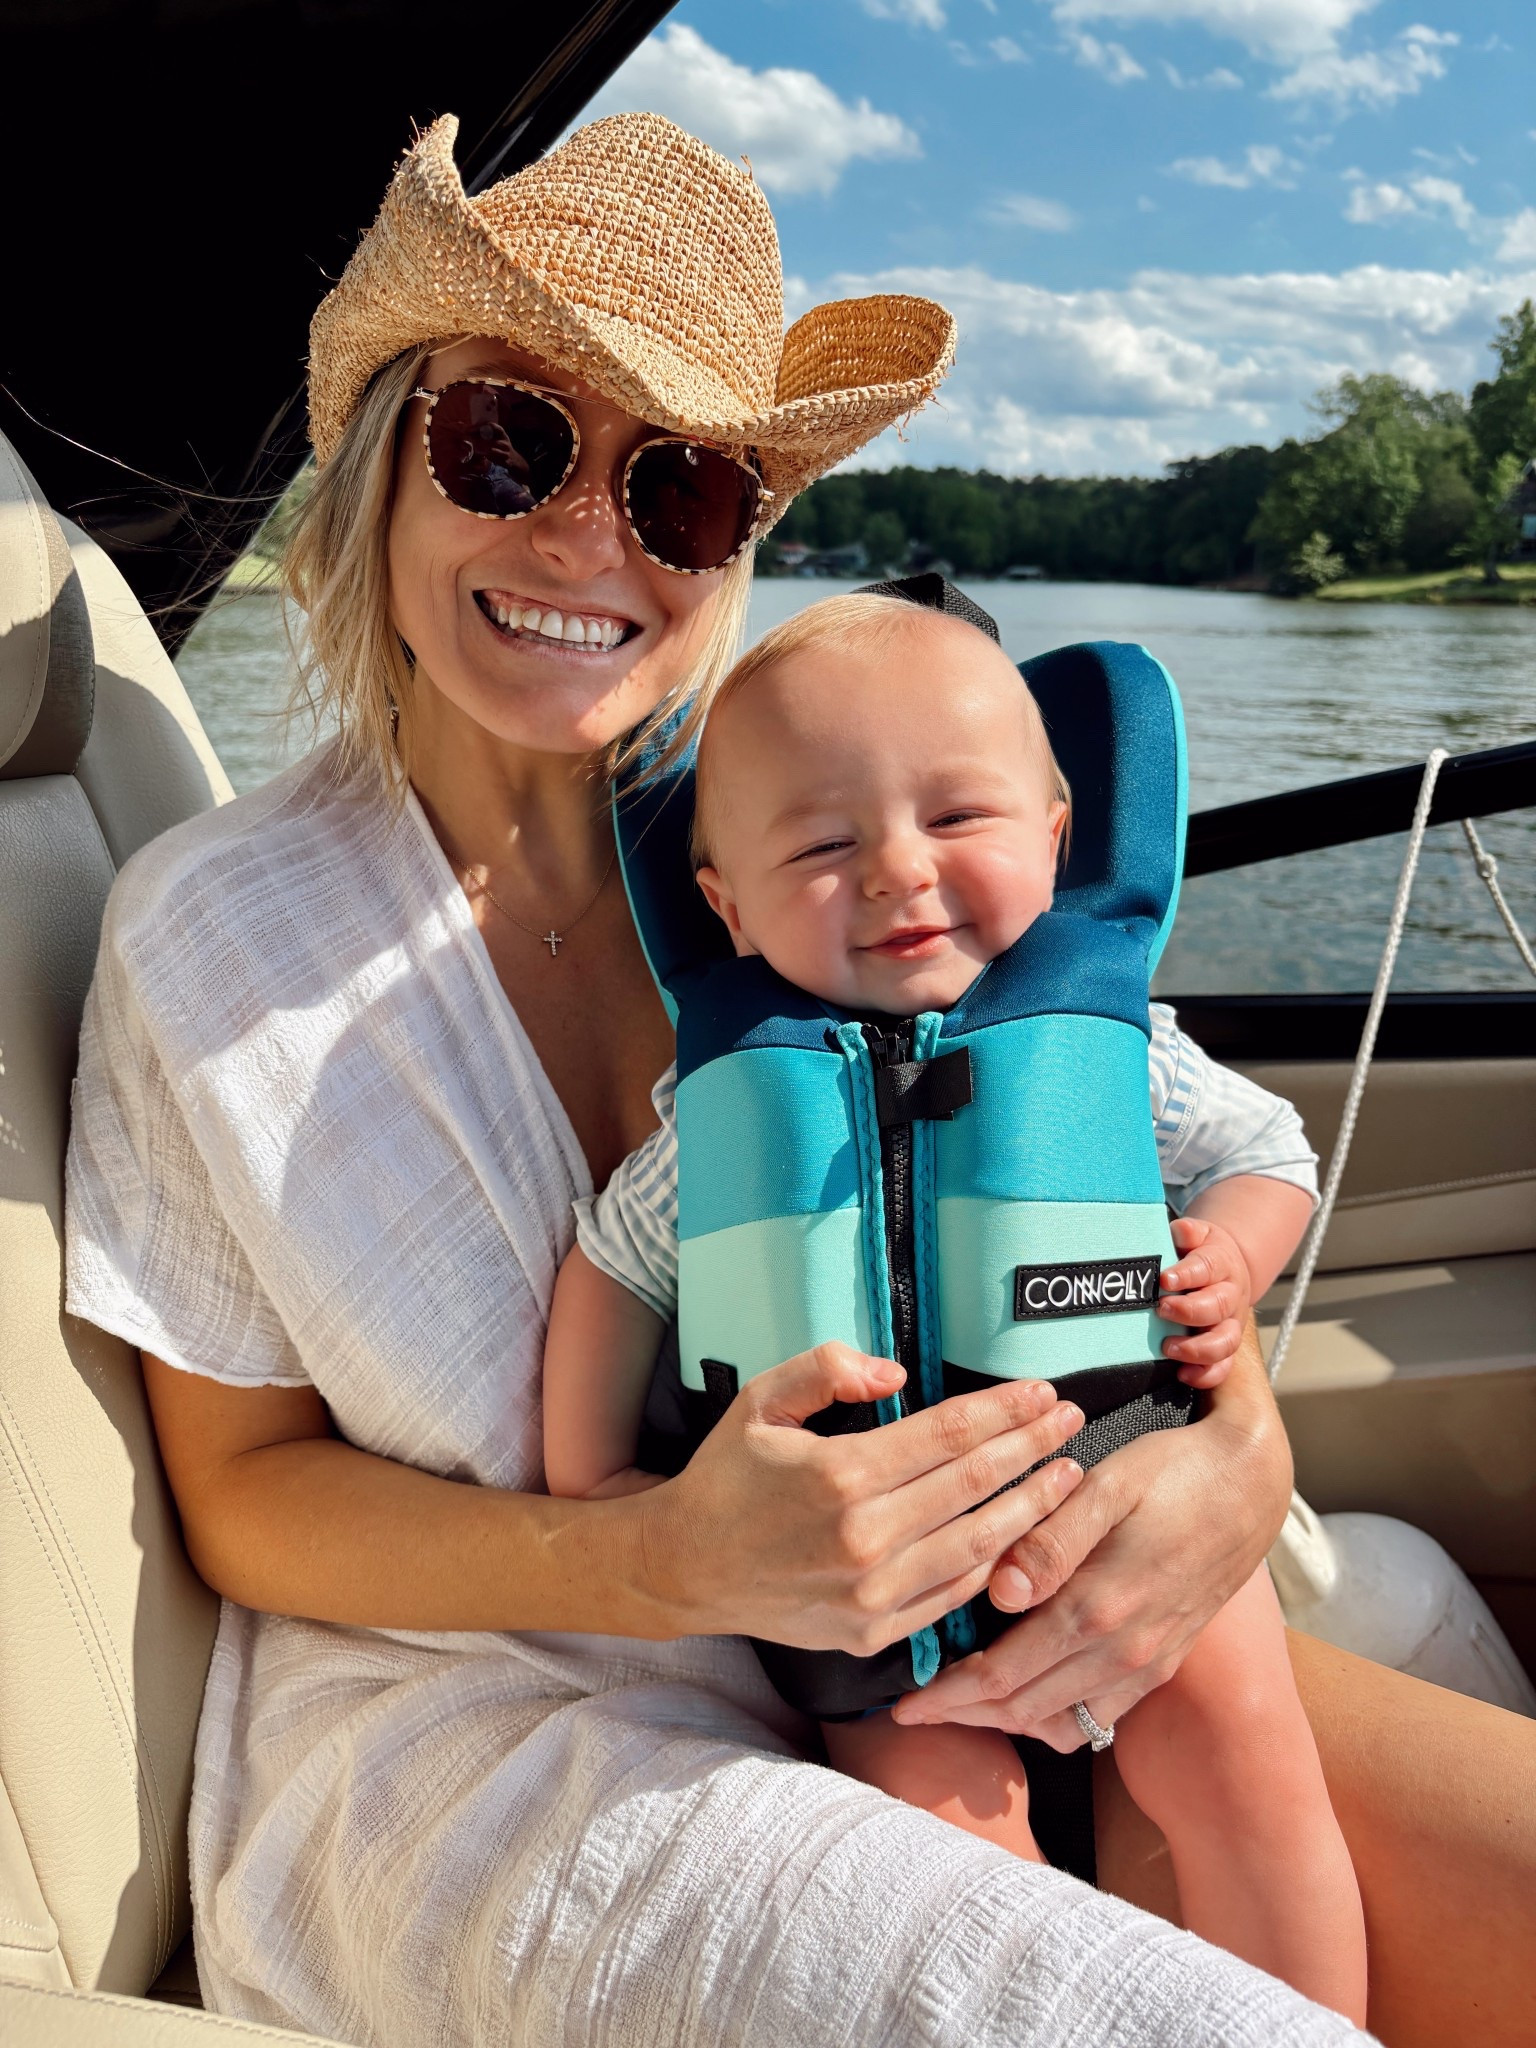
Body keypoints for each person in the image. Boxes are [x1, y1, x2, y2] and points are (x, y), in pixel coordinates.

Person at [61, 111, 1536, 2048]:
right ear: (382, 461)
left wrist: (1229, 1454)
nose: (590, 532)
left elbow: (1136, 1205)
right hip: (508, 1708)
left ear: (738, 540)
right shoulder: (215, 939)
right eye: (510, 440)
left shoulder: (838, 871)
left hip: (996, 1589)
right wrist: (659, 1557)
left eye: (680, 487)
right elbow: (242, 1496)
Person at [542, 590, 1365, 2022]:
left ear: (1056, 831)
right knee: (951, 1849)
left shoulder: (1125, 1056)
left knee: (1244, 1758)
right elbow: (611, 1269)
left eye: (957, 819)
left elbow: (1270, 1156)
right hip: (879, 1595)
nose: (897, 875)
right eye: (821, 843)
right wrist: (595, 1484)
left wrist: (1229, 1258)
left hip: (1122, 1507)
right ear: (725, 900)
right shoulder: (721, 1124)